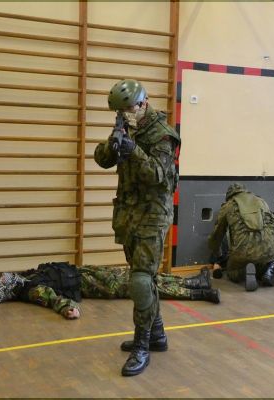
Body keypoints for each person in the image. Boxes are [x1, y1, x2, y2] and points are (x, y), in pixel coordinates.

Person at [94, 79, 181, 376]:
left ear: (144, 103)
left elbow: (157, 175)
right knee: (143, 278)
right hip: (130, 214)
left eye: (129, 109)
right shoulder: (127, 128)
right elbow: (102, 160)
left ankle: (142, 345)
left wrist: (133, 150)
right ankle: (156, 334)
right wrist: (113, 143)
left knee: (141, 281)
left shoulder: (163, 135)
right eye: (120, 112)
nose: (125, 115)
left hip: (154, 214)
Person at [0, 264, 220, 318]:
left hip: (87, 272)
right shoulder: (31, 289)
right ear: (7, 288)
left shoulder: (22, 277)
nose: (5, 275)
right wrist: (69, 309)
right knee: (141, 285)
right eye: (4, 279)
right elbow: (54, 299)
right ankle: (198, 293)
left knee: (139, 273)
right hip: (95, 286)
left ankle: (194, 281)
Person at [208, 183, 274, 292]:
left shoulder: (227, 206)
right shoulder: (260, 201)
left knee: (232, 273)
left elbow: (216, 236)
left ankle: (248, 270)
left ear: (229, 195)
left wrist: (216, 255)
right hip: (269, 247)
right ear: (244, 191)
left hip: (243, 252)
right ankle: (270, 266)